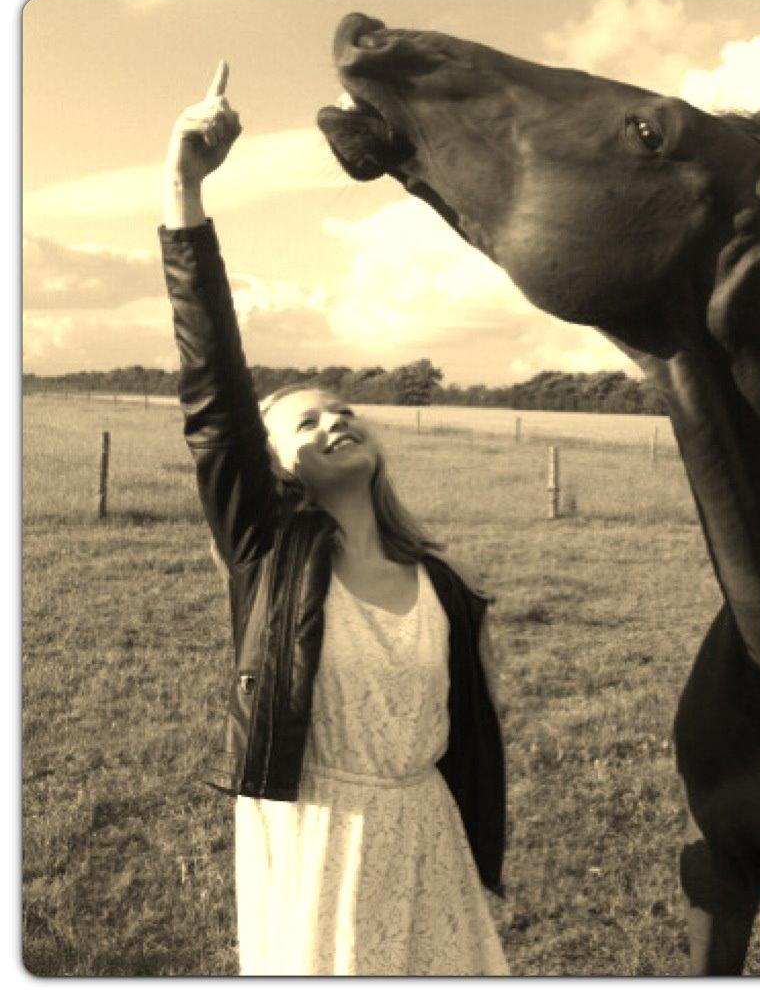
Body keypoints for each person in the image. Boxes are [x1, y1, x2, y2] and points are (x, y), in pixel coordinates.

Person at [159, 62, 508, 976]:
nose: (334, 422)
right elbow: (213, 393)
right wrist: (184, 192)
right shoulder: (268, 555)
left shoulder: (442, 582)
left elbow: (470, 741)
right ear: (274, 466)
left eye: (342, 410)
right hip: (319, 843)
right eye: (305, 422)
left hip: (429, 838)